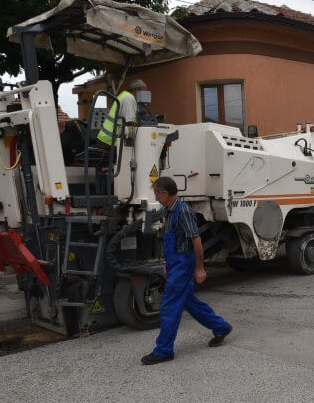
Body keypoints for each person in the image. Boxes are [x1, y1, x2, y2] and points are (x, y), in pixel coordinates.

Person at [141, 177, 232, 365]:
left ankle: (164, 350)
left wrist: (199, 268)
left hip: (183, 265)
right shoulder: (168, 210)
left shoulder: (183, 211)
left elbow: (196, 241)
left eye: (157, 193)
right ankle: (221, 326)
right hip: (175, 263)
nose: (155, 197)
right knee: (189, 302)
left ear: (165, 194)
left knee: (168, 305)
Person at [96, 79, 146, 148]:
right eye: (143, 92)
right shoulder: (129, 98)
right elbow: (130, 123)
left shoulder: (123, 95)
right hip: (110, 141)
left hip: (106, 138)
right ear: (136, 90)